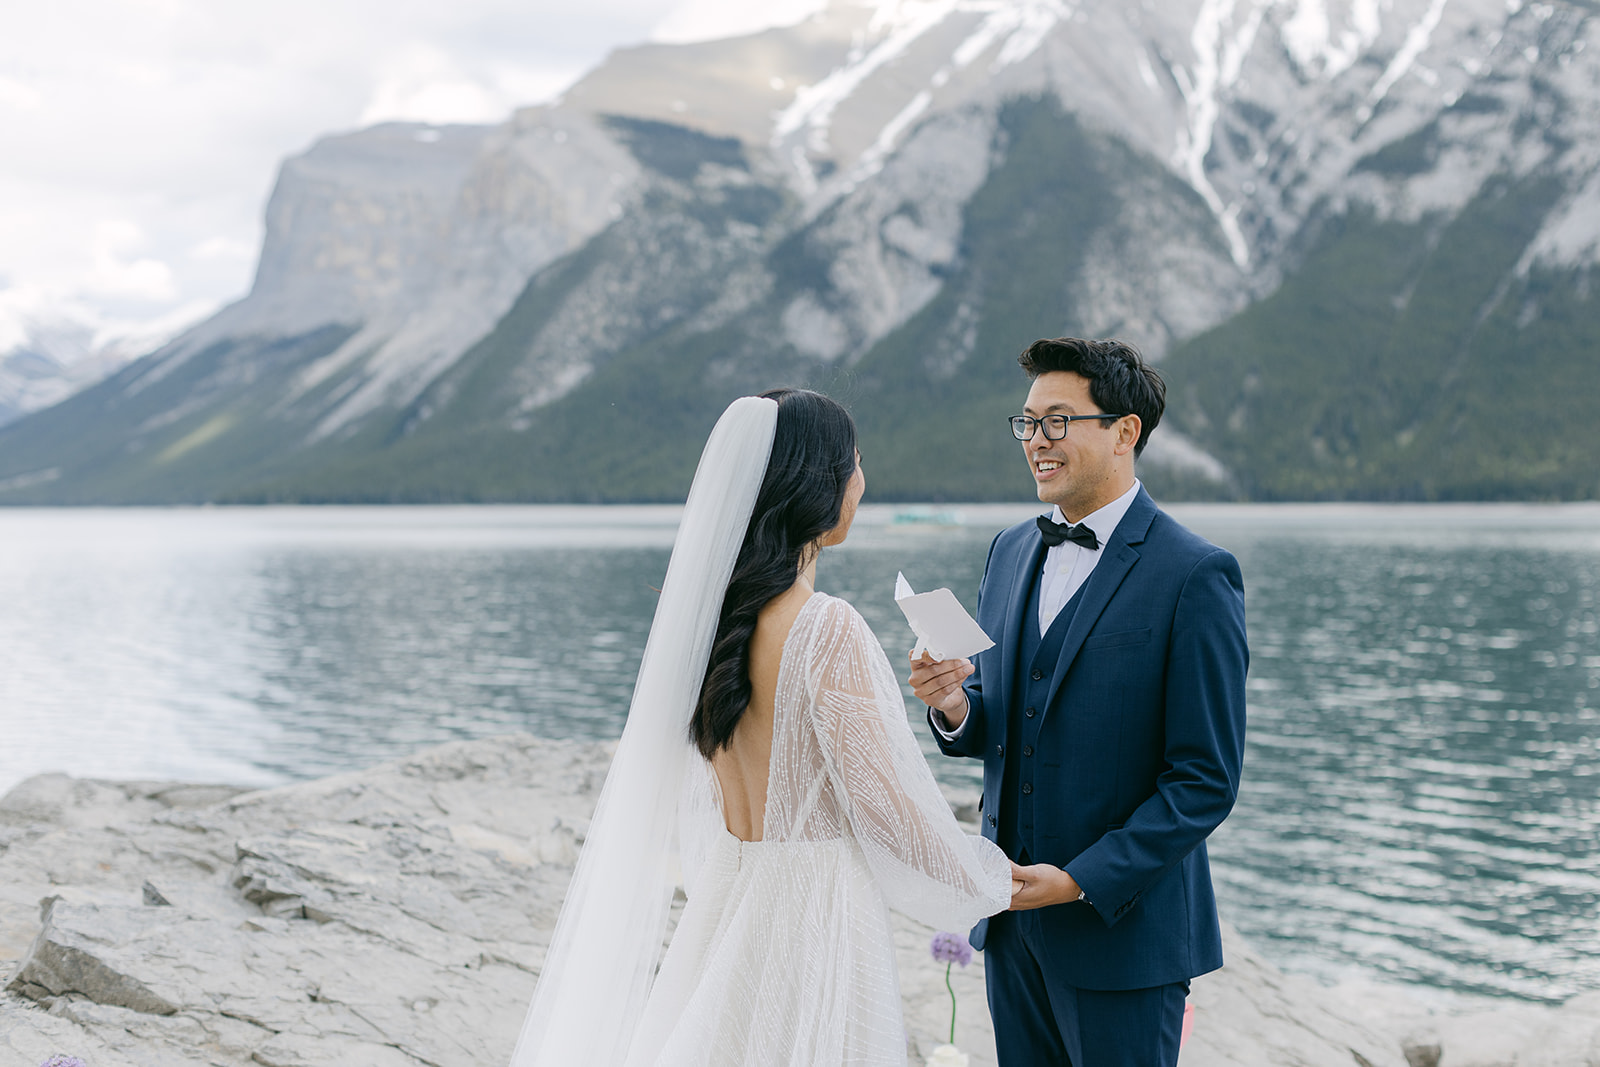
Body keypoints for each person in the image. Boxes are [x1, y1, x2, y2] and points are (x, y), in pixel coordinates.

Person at [510, 388, 1013, 1067]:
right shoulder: (826, 626)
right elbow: (889, 813)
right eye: (856, 461)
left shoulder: (711, 624)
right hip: (815, 911)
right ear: (816, 483)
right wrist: (998, 881)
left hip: (733, 894)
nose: (862, 481)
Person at [910, 337, 1248, 1067]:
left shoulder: (1197, 574)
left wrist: (1079, 881)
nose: (1037, 440)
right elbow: (1005, 716)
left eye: (1058, 421)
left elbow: (1204, 781)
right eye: (1028, 423)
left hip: (1124, 938)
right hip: (1009, 926)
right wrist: (955, 706)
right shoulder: (1008, 552)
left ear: (1125, 432)